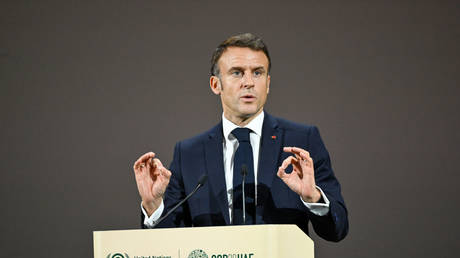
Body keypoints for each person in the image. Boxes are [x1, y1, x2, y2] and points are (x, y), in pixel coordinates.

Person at [133, 33, 348, 242]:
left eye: (257, 73)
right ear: (216, 85)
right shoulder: (189, 153)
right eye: (237, 73)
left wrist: (313, 199)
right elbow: (168, 241)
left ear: (268, 83)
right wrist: (153, 207)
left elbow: (337, 229)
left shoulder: (302, 140)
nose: (249, 82)